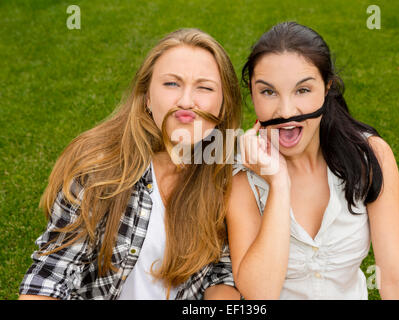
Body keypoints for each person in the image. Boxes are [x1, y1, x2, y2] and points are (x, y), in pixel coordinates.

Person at [19, 28, 242, 300]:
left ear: (224, 106)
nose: (186, 101)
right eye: (171, 84)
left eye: (205, 87)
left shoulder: (226, 172)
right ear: (147, 97)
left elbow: (221, 273)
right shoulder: (99, 167)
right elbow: (51, 275)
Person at [227, 22, 399, 299]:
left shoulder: (371, 156)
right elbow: (259, 293)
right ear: (252, 92)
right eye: (268, 92)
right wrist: (278, 183)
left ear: (327, 87)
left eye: (302, 90)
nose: (286, 111)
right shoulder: (241, 175)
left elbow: (396, 276)